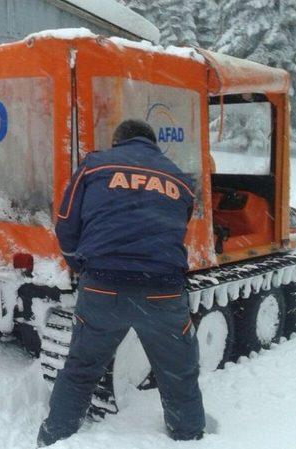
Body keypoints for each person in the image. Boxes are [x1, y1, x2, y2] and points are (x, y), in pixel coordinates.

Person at [37, 119, 205, 445]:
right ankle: (189, 436)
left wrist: (80, 265)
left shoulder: (94, 166)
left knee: (81, 369)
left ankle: (53, 437)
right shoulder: (180, 180)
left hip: (103, 287)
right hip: (163, 293)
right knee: (178, 374)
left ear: (118, 142)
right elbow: (176, 228)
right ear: (153, 144)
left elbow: (66, 225)